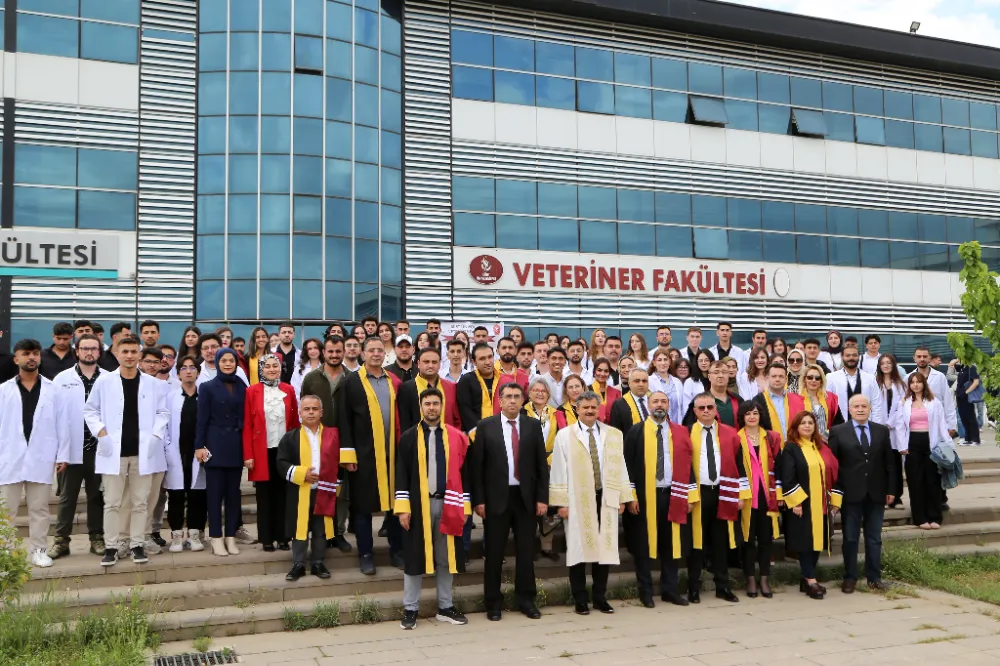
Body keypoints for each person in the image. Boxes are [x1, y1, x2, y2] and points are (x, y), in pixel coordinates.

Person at [85, 335, 170, 567]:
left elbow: (163, 413)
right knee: (112, 502)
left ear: (140, 354)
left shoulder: (153, 384)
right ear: (117, 354)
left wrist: (155, 436)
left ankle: (137, 544)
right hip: (113, 451)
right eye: (125, 351)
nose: (130, 356)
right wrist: (102, 433)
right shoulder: (104, 381)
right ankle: (111, 546)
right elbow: (90, 411)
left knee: (140, 502)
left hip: (142, 452)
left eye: (134, 351)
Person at [469, 382, 548, 621]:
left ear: (523, 401)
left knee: (526, 552)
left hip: (526, 499)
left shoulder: (533, 426)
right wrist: (479, 500)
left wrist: (542, 498)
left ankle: (526, 599)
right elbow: (477, 468)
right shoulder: (485, 426)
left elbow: (541, 465)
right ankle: (493, 602)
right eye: (508, 397)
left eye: (516, 396)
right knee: (494, 553)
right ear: (500, 401)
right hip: (496, 499)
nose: (512, 400)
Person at [550, 390, 632, 615]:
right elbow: (558, 470)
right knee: (578, 550)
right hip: (577, 500)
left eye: (593, 407)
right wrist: (561, 503)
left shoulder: (613, 434)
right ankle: (580, 598)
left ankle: (599, 597)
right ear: (576, 409)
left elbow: (621, 466)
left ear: (599, 409)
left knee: (603, 550)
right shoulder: (565, 436)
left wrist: (623, 497)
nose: (589, 411)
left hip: (606, 497)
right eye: (585, 407)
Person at [395, 388, 471, 630]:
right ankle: (410, 609)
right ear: (421, 407)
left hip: (448, 503)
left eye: (435, 403)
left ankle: (445, 607)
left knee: (445, 557)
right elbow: (401, 474)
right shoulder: (408, 437)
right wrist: (402, 507)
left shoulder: (456, 437)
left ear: (442, 405)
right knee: (413, 556)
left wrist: (465, 506)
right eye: (427, 403)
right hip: (419, 505)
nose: (431, 408)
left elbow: (464, 473)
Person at [338, 337, 404, 575]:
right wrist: (348, 455)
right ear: (363, 354)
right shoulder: (351, 382)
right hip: (364, 453)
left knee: (396, 503)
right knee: (363, 506)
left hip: (393, 452)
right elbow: (344, 419)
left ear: (385, 354)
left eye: (379, 350)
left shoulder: (394, 381)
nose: (376, 354)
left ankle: (397, 551)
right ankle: (366, 554)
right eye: (371, 350)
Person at [622, 391, 693, 608]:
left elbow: (689, 464)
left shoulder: (680, 432)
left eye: (663, 401)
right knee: (643, 545)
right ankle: (645, 592)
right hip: (645, 497)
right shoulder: (636, 431)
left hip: (673, 494)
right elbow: (627, 465)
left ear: (669, 405)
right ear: (648, 405)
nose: (659, 405)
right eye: (655, 401)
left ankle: (670, 590)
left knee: (671, 544)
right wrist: (631, 496)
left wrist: (690, 496)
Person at [0, 339, 67, 568]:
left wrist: (62, 454)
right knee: (6, 510)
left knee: (39, 508)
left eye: (36, 353)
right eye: (26, 353)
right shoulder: (4, 390)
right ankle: (6, 553)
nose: (31, 357)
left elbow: (62, 423)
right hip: (9, 457)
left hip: (41, 455)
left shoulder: (53, 390)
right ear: (16, 358)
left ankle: (39, 550)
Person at [685, 392, 747, 603]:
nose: (706, 411)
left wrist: (741, 495)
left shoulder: (730, 434)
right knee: (697, 542)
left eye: (710, 407)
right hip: (698, 493)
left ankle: (723, 586)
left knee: (721, 541)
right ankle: (693, 587)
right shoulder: (686, 433)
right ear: (695, 411)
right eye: (701, 408)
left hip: (723, 491)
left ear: (716, 410)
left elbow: (740, 465)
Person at [277, 395, 345, 582]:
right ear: (300, 412)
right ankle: (298, 564)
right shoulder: (290, 438)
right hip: (300, 491)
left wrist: (336, 484)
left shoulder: (332, 436)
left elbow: (340, 463)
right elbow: (281, 463)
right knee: (299, 528)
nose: (311, 412)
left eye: (315, 409)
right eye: (306, 409)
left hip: (324, 490)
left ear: (321, 412)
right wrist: (301, 474)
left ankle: (318, 563)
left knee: (320, 528)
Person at [49, 333, 105, 559]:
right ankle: (61, 541)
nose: (89, 352)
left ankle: (97, 538)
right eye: (85, 348)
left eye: (93, 348)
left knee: (96, 497)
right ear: (77, 352)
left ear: (99, 352)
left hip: (99, 450)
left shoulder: (109, 378)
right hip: (70, 449)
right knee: (67, 498)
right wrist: (56, 451)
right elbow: (52, 416)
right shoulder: (62, 379)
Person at [300, 335, 352, 553]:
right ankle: (320, 532)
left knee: (341, 490)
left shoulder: (352, 378)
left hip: (344, 441)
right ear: (323, 353)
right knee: (318, 488)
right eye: (330, 351)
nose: (334, 355)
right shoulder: (311, 378)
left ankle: (338, 532)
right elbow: (304, 408)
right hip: (316, 440)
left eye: (338, 351)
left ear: (344, 352)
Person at [243, 355, 299, 552]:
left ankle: (284, 537)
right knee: (264, 496)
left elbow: (294, 422)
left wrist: (297, 451)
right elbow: (247, 425)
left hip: (284, 451)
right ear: (261, 369)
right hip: (262, 450)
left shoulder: (289, 390)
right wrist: (248, 454)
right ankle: (266, 538)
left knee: (284, 495)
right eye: (267, 366)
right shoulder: (251, 391)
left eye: (275, 366)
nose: (272, 369)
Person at [195, 348, 248, 557]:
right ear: (217, 363)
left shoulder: (242, 386)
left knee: (234, 495)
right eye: (224, 360)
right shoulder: (207, 387)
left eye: (231, 361)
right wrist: (199, 446)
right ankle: (216, 538)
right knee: (215, 495)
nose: (227, 364)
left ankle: (230, 537)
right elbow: (201, 419)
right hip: (214, 445)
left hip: (236, 445)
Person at [781, 411, 840, 599]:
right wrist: (796, 502)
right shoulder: (791, 448)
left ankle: (806, 579)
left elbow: (835, 474)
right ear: (796, 427)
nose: (807, 426)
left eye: (810, 423)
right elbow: (787, 477)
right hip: (803, 505)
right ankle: (811, 580)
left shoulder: (822, 447)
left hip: (821, 504)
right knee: (805, 544)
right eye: (803, 423)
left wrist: (835, 501)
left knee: (817, 543)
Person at [736, 402, 782, 599]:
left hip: (766, 495)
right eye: (748, 414)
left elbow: (779, 467)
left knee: (765, 540)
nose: (752, 417)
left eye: (755, 413)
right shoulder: (736, 438)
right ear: (742, 417)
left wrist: (779, 494)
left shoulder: (771, 437)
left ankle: (764, 578)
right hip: (746, 496)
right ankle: (750, 579)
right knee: (748, 540)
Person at [163, 355, 206, 553]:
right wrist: (167, 448)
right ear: (178, 373)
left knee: (198, 494)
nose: (188, 371)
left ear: (198, 372)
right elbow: (164, 425)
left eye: (192, 367)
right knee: (176, 494)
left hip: (199, 453)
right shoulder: (170, 397)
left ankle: (195, 534)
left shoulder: (204, 396)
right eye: (184, 368)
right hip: (176, 453)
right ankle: (177, 536)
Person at [898, 373, 950, 530]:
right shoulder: (905, 402)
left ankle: (935, 517)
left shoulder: (934, 402)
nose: (915, 385)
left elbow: (942, 425)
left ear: (924, 384)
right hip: (912, 444)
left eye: (918, 382)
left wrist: (948, 445)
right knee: (915, 481)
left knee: (933, 481)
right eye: (912, 382)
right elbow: (900, 425)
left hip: (931, 444)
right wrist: (902, 446)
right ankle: (920, 518)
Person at [398, 346, 461, 433]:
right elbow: (404, 423)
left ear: (440, 364)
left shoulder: (451, 387)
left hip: (447, 438)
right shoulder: (406, 389)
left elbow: (457, 419)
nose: (430, 365)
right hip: (417, 439)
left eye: (434, 362)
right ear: (418, 363)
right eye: (426, 362)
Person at [875, 354, 907, 507]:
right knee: (880, 465)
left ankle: (897, 497)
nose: (886, 365)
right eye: (883, 363)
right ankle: (882, 496)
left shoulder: (901, 385)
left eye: (889, 363)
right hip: (878, 428)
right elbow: (872, 405)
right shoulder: (874, 383)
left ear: (893, 365)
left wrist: (889, 424)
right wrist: (880, 425)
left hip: (895, 429)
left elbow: (903, 406)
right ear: (879, 366)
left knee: (895, 464)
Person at [826, 345, 885, 425]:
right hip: (840, 426)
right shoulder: (831, 377)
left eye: (854, 355)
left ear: (859, 357)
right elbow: (828, 404)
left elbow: (877, 405)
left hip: (866, 426)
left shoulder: (870, 378)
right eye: (848, 355)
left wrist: (875, 426)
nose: (851, 358)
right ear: (842, 357)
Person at [909, 346, 957, 439]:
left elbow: (948, 401)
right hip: (915, 425)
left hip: (937, 423)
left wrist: (951, 425)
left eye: (925, 356)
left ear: (929, 358)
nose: (922, 359)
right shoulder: (908, 378)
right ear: (914, 358)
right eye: (919, 356)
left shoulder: (940, 377)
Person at [457, 343, 502, 432]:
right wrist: (480, 434)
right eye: (482, 359)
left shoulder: (504, 380)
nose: (487, 362)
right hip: (475, 434)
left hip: (501, 434)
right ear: (474, 362)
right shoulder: (466, 381)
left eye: (490, 357)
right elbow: (465, 411)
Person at [753, 363, 805, 438]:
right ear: (767, 378)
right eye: (774, 376)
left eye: (781, 376)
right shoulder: (758, 401)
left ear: (786, 379)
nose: (777, 379)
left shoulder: (796, 399)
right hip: (768, 443)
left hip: (794, 442)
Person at [684, 360, 742, 428]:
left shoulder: (737, 399)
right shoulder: (699, 401)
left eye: (724, 372)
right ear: (709, 377)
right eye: (716, 372)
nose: (721, 376)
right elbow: (689, 427)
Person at [799, 363, 845, 441]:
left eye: (817, 378)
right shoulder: (796, 400)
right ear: (804, 380)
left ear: (821, 381)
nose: (813, 380)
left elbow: (839, 424)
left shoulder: (831, 399)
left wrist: (827, 435)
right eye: (810, 377)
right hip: (804, 442)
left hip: (827, 442)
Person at [609, 367, 652, 435]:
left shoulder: (655, 401)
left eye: (644, 381)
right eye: (637, 381)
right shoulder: (619, 405)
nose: (641, 384)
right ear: (629, 383)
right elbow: (616, 433)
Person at [648, 350, 684, 424]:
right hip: (658, 424)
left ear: (669, 362)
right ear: (654, 363)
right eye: (659, 360)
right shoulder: (649, 381)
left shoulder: (677, 382)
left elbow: (681, 406)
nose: (663, 363)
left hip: (677, 424)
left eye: (665, 359)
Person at [956, 362, 981, 446]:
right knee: (963, 417)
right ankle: (968, 438)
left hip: (966, 396)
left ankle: (975, 439)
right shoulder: (962, 367)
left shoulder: (971, 367)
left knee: (970, 417)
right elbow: (951, 365)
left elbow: (976, 382)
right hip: (959, 395)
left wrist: (966, 392)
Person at [683, 349, 714, 414]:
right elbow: (686, 405)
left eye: (706, 360)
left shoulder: (715, 379)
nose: (703, 363)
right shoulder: (690, 381)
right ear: (697, 362)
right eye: (700, 361)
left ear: (711, 361)